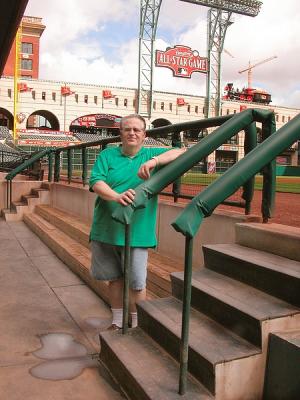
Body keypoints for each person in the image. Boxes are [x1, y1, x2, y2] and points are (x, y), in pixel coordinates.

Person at [89, 114, 184, 330]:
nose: (132, 133)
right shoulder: (107, 155)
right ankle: (116, 321)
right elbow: (96, 182)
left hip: (138, 232)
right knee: (114, 279)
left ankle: (138, 325)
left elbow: (181, 152)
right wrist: (116, 196)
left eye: (137, 130)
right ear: (120, 133)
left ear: (144, 135)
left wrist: (154, 161)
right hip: (106, 229)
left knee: (137, 282)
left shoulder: (152, 154)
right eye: (127, 129)